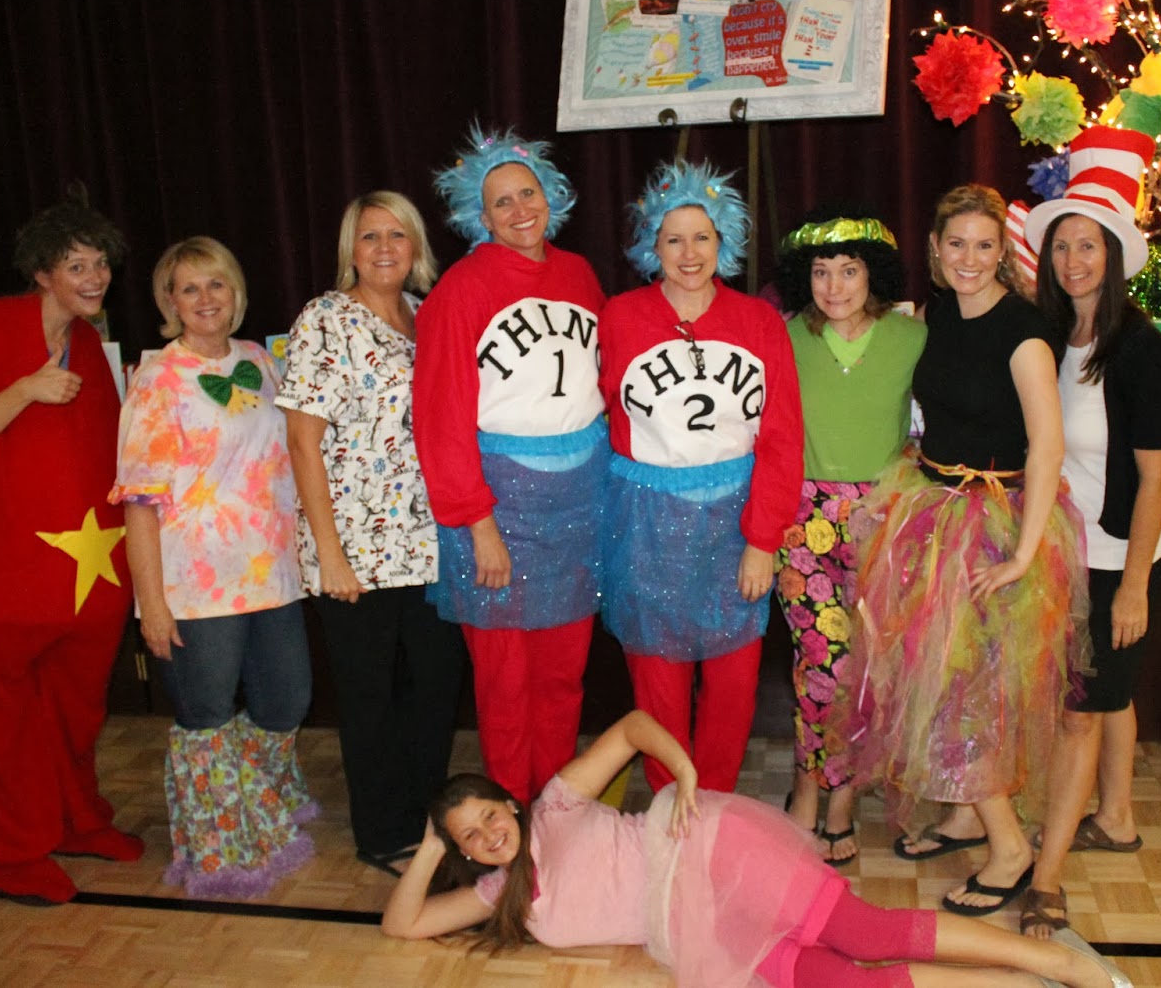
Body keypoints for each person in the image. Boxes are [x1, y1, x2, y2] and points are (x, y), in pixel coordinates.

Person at [380, 710, 1132, 988]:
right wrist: (431, 844)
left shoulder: (554, 808)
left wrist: (681, 771)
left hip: (710, 851)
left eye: (490, 816)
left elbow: (634, 726)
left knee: (865, 934)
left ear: (510, 803)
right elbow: (402, 924)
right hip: (701, 929)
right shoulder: (493, 892)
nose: (490, 835)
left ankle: (1064, 964)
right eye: (471, 836)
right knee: (848, 986)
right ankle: (1026, 980)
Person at [831, 185, 1087, 916]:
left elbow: (1047, 448)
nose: (969, 259)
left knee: (965, 692)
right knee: (939, 674)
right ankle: (968, 817)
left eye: (984, 245)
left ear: (1002, 252)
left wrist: (1022, 556)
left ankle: (1010, 848)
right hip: (932, 506)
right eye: (956, 244)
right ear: (937, 251)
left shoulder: (1024, 333)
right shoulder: (940, 314)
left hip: (994, 524)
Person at [0, 191, 141, 906]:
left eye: (101, 263)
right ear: (42, 271)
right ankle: (17, 852)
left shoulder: (89, 345)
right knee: (5, 717)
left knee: (75, 708)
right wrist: (23, 391)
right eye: (77, 265)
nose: (95, 276)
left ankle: (77, 819)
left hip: (85, 574)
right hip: (1, 570)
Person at [113, 236, 315, 898]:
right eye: (189, 288)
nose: (205, 299)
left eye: (216, 284)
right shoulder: (156, 380)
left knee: (286, 699)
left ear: (236, 292)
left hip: (272, 574)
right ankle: (222, 846)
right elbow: (138, 503)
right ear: (169, 302)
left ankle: (261, 810)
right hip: (195, 585)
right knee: (206, 712)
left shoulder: (258, 360)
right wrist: (152, 604)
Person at [413, 127, 607, 805]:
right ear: (481, 216)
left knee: (563, 677)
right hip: (498, 511)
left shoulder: (579, 274)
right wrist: (478, 524)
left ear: (550, 195)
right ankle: (512, 818)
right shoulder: (459, 290)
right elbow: (440, 420)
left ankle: (556, 809)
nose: (520, 210)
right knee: (504, 682)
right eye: (502, 202)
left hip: (578, 505)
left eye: (528, 193)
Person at [276, 192, 466, 876]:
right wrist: (330, 555)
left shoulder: (425, 314)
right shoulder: (326, 319)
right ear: (349, 250)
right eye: (369, 237)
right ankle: (383, 835)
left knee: (435, 689)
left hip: (430, 544)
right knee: (370, 698)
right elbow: (302, 441)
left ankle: (427, 820)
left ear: (416, 245)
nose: (385, 248)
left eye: (397, 235)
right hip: (356, 551)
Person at [598, 160, 802, 794]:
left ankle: (712, 804)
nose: (689, 254)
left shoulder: (760, 322)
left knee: (733, 682)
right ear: (652, 246)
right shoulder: (619, 317)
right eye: (674, 239)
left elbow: (782, 439)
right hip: (647, 526)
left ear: (724, 241)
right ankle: (670, 803)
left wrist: (763, 540)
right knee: (657, 681)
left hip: (735, 527)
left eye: (702, 237)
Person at [1021, 127, 1161, 937]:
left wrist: (1136, 588)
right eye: (1061, 246)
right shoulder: (1052, 337)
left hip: (1117, 556)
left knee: (1083, 708)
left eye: (1088, 246)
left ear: (1112, 257)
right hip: (1062, 549)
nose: (1072, 260)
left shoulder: (1141, 349)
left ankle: (1048, 877)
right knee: (1109, 695)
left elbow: (1154, 478)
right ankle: (1115, 815)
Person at [771, 205, 925, 865]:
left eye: (849, 270)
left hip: (883, 520)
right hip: (801, 519)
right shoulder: (783, 336)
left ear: (873, 275)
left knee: (868, 670)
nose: (834, 286)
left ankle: (842, 796)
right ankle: (814, 790)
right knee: (821, 665)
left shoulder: (911, 337)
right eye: (821, 271)